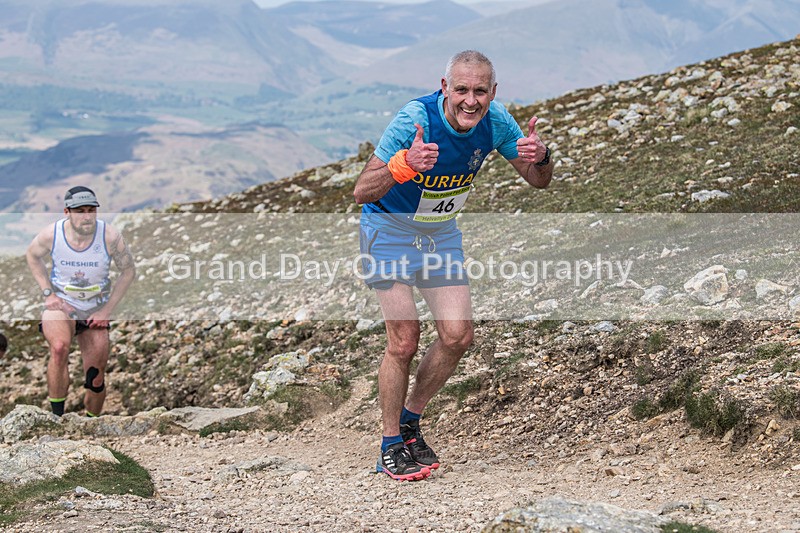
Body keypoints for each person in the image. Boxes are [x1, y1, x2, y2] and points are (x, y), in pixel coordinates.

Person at [353, 50, 553, 481]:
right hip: (387, 229)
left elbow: (537, 181)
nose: (470, 100)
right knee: (404, 341)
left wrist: (541, 156)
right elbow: (362, 190)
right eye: (461, 89)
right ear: (445, 87)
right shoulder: (414, 120)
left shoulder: (497, 121)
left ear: (493, 93)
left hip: (438, 234)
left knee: (458, 336)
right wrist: (403, 165)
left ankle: (410, 421)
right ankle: (389, 444)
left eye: (480, 91)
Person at [26, 186, 135, 417]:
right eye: (80, 211)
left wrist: (106, 311)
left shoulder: (110, 236)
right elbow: (32, 256)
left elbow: (128, 271)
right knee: (58, 349)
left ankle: (91, 424)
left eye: (91, 210)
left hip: (95, 308)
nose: (87, 216)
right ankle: (57, 418)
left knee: (95, 375)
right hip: (62, 305)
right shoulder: (51, 234)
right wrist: (49, 294)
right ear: (67, 211)